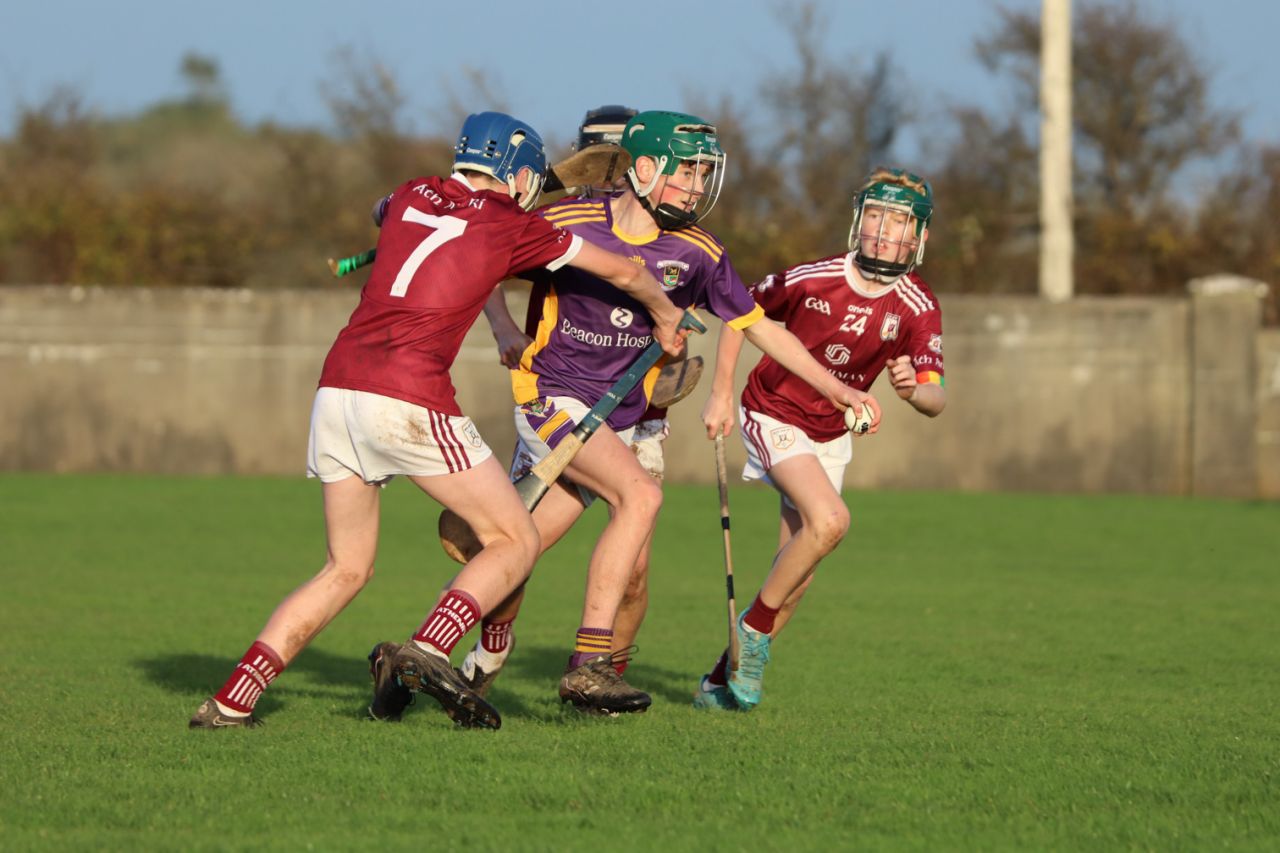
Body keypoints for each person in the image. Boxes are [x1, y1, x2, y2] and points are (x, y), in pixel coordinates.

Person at [189, 111, 688, 731]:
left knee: (345, 567)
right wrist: (664, 314)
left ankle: (232, 700)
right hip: (407, 396)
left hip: (337, 390)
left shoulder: (408, 194)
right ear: (515, 174)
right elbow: (623, 269)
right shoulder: (515, 226)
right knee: (516, 539)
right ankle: (427, 648)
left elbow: (384, 211)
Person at [438, 110, 882, 717]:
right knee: (640, 498)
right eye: (688, 173)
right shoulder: (564, 220)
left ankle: (436, 652)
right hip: (550, 395)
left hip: (619, 418)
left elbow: (761, 329)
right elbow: (483, 257)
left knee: (520, 546)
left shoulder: (699, 253)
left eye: (705, 175)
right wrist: (502, 326)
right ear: (643, 170)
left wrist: (838, 390)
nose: (698, 187)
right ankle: (586, 665)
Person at [694, 167, 947, 712]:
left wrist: (911, 391)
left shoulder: (918, 305)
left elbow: (936, 397)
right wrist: (720, 392)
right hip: (774, 411)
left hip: (831, 434)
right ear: (858, 222)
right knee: (831, 521)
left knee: (798, 574)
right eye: (875, 216)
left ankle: (719, 680)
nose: (884, 231)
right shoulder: (813, 277)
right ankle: (755, 631)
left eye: (899, 221)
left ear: (919, 237)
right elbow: (739, 315)